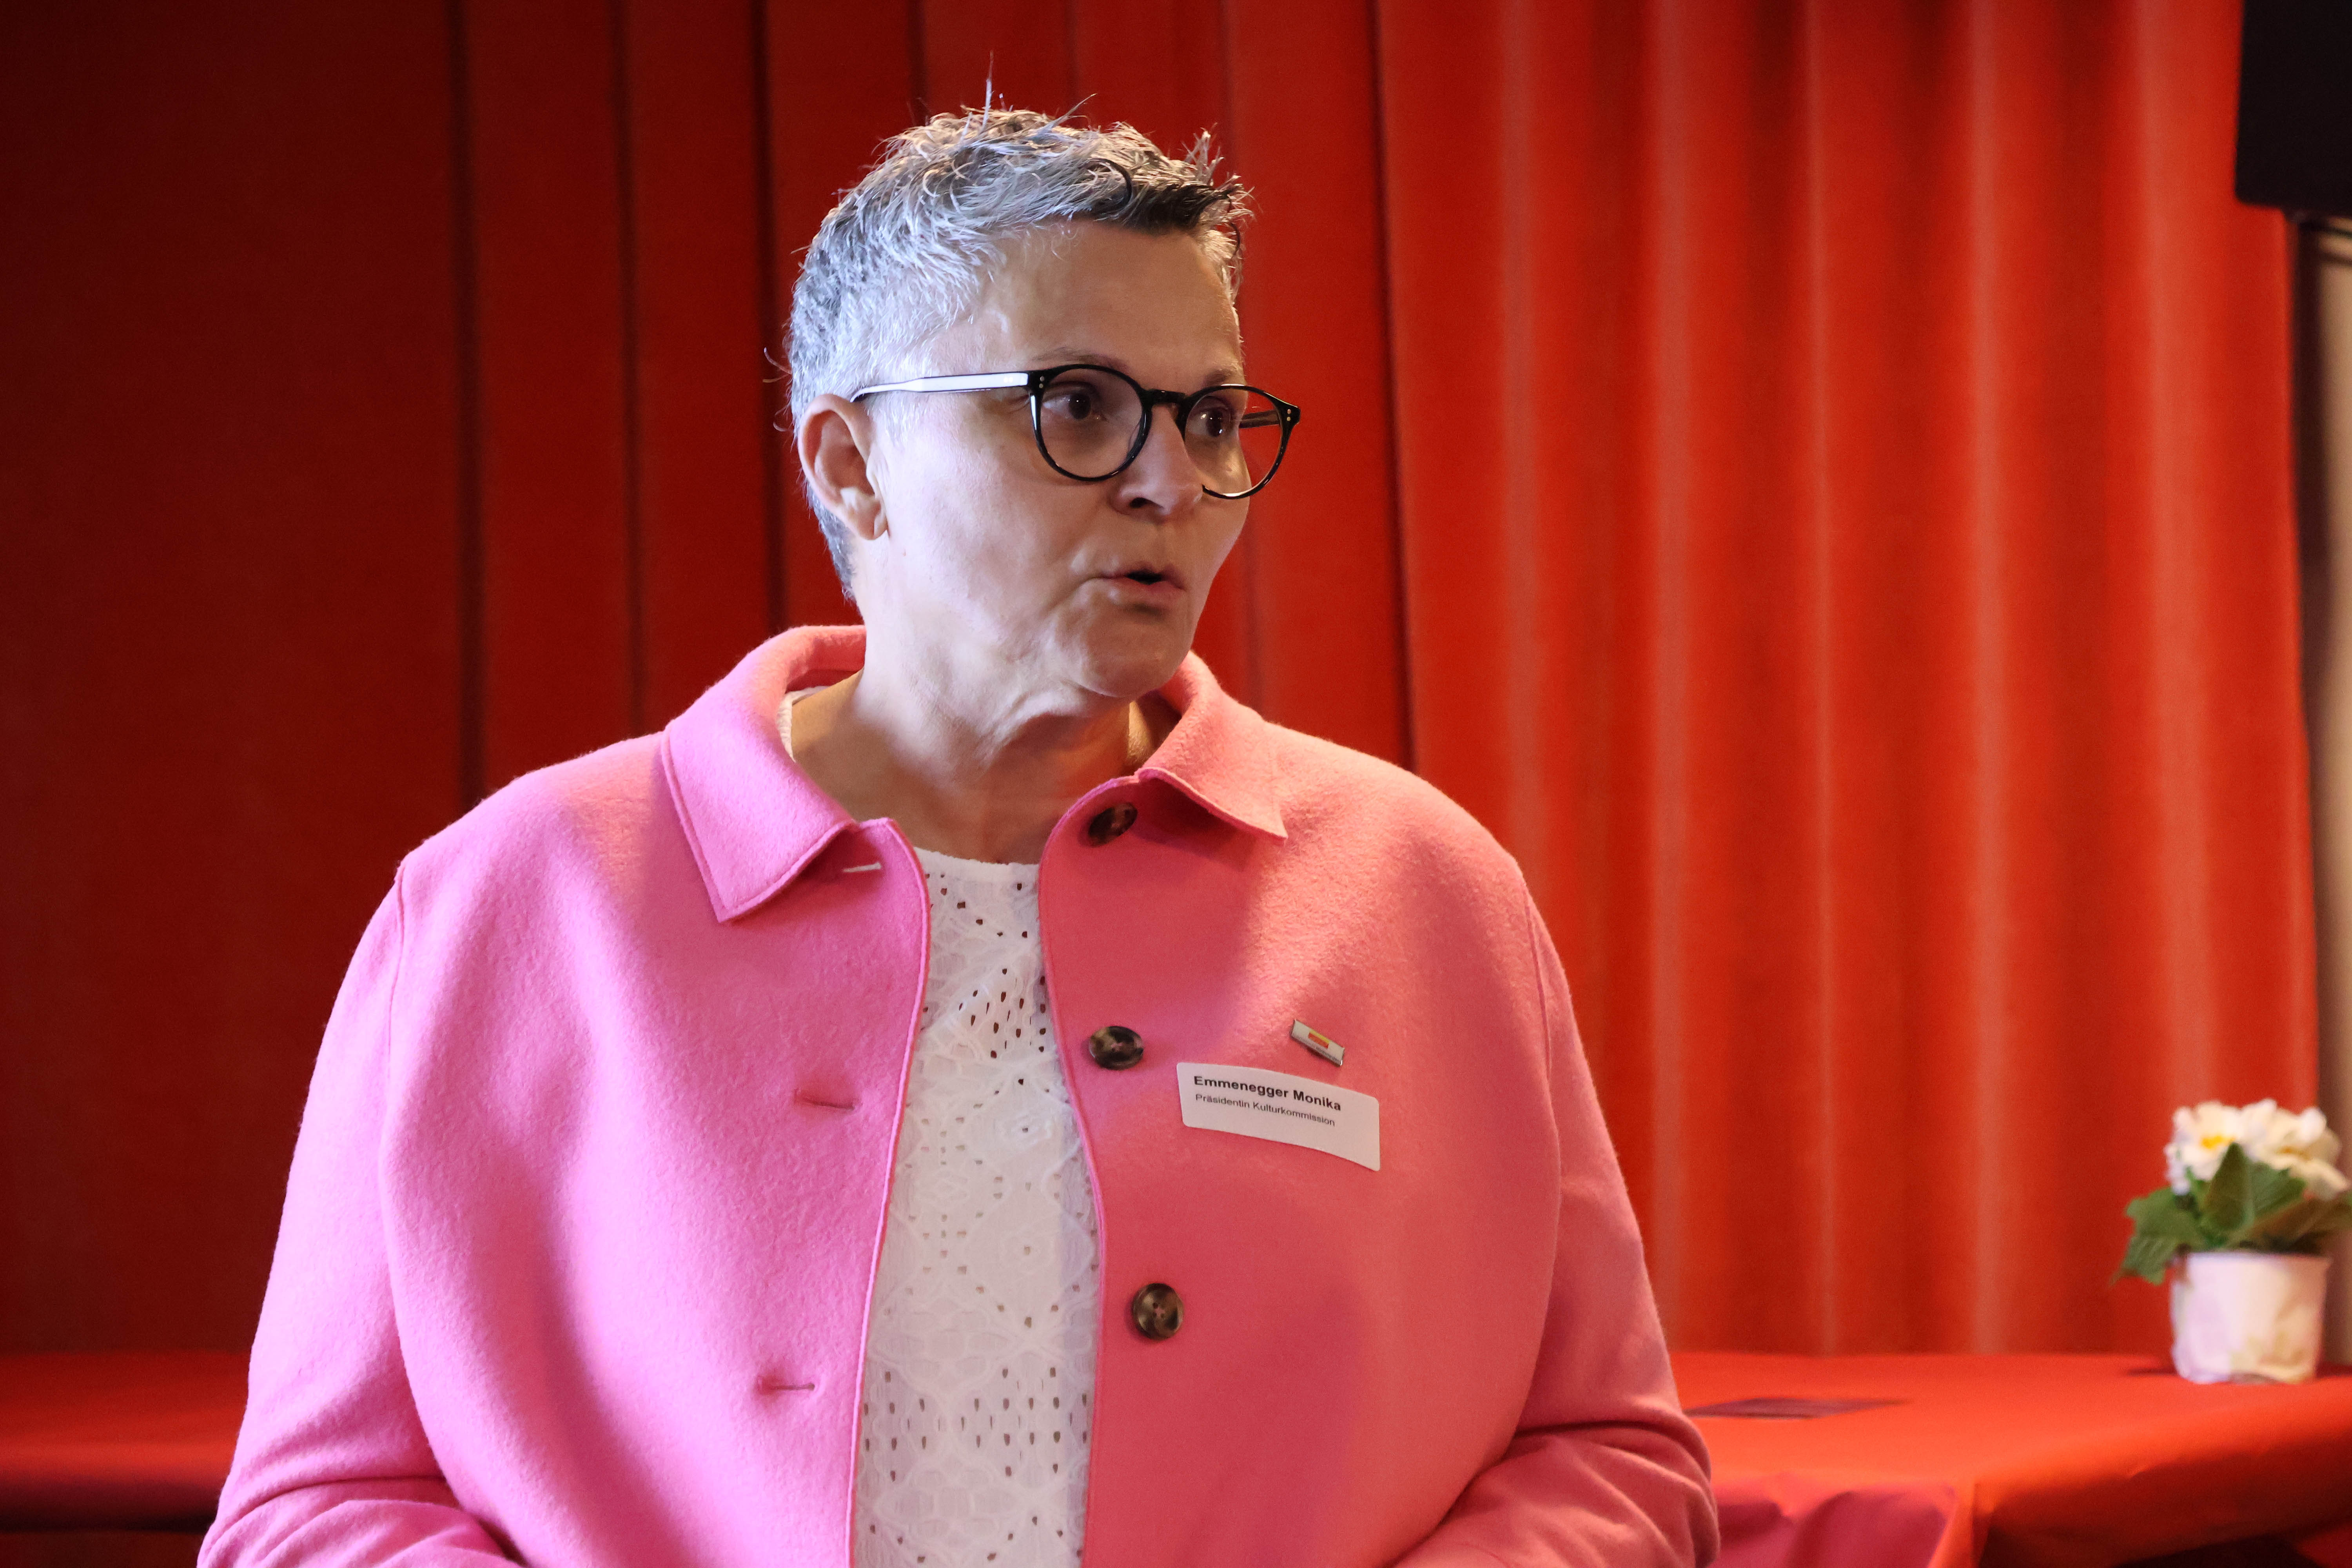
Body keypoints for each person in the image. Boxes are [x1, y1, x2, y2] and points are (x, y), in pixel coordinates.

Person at [202, 109, 1716, 1568]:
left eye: (1207, 418)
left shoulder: (1423, 893)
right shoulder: (507, 903)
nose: (1170, 483)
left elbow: (1608, 1455)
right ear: (851, 465)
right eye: (1078, 406)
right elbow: (319, 1508)